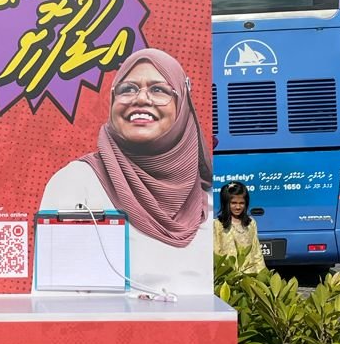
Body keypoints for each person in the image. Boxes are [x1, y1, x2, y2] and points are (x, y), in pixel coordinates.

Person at [38, 48, 212, 296]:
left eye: (158, 89)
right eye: (127, 89)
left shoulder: (208, 196)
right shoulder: (77, 183)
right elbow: (55, 297)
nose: (141, 99)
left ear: (182, 103)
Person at [213, 180, 266, 272]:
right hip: (228, 275)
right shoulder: (218, 224)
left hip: (249, 275)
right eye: (233, 203)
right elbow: (216, 252)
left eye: (241, 203)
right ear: (226, 203)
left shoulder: (251, 223)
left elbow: (256, 252)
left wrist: (263, 273)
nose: (238, 207)